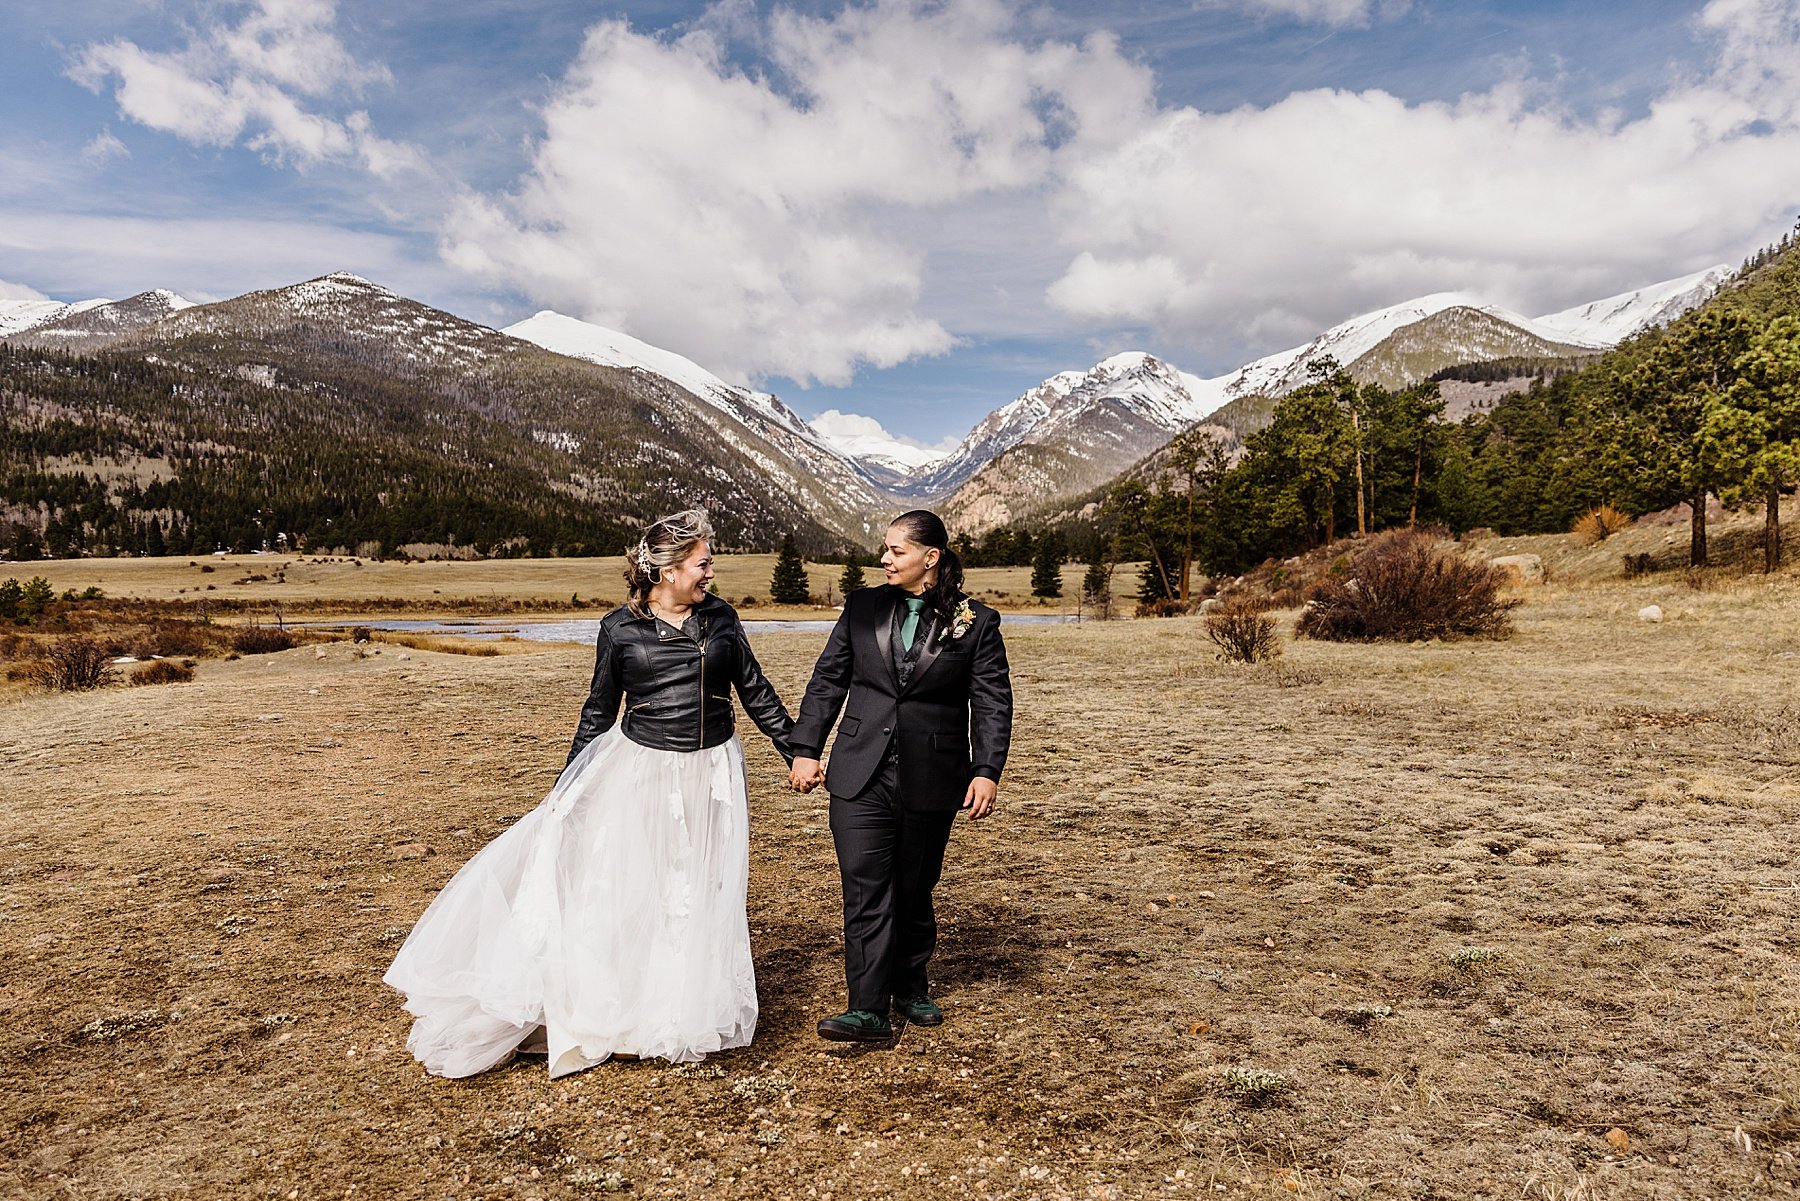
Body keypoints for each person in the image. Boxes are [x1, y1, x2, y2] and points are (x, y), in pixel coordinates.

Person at [385, 509, 795, 1077]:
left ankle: (682, 1010)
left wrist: (795, 750)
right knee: (646, 886)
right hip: (645, 771)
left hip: (714, 772)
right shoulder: (618, 628)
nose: (711, 574)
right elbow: (600, 710)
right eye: (703, 564)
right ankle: (628, 1010)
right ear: (668, 569)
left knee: (703, 886)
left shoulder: (722, 618)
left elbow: (754, 688)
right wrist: (566, 790)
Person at [788, 509, 1012, 1042]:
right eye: (885, 550)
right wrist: (805, 747)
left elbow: (992, 702)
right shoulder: (862, 606)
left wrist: (986, 770)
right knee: (865, 886)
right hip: (859, 769)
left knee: (913, 887)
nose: (885, 559)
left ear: (930, 559)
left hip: (933, 774)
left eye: (897, 551)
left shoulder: (977, 623)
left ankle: (910, 986)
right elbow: (828, 679)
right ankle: (867, 1009)